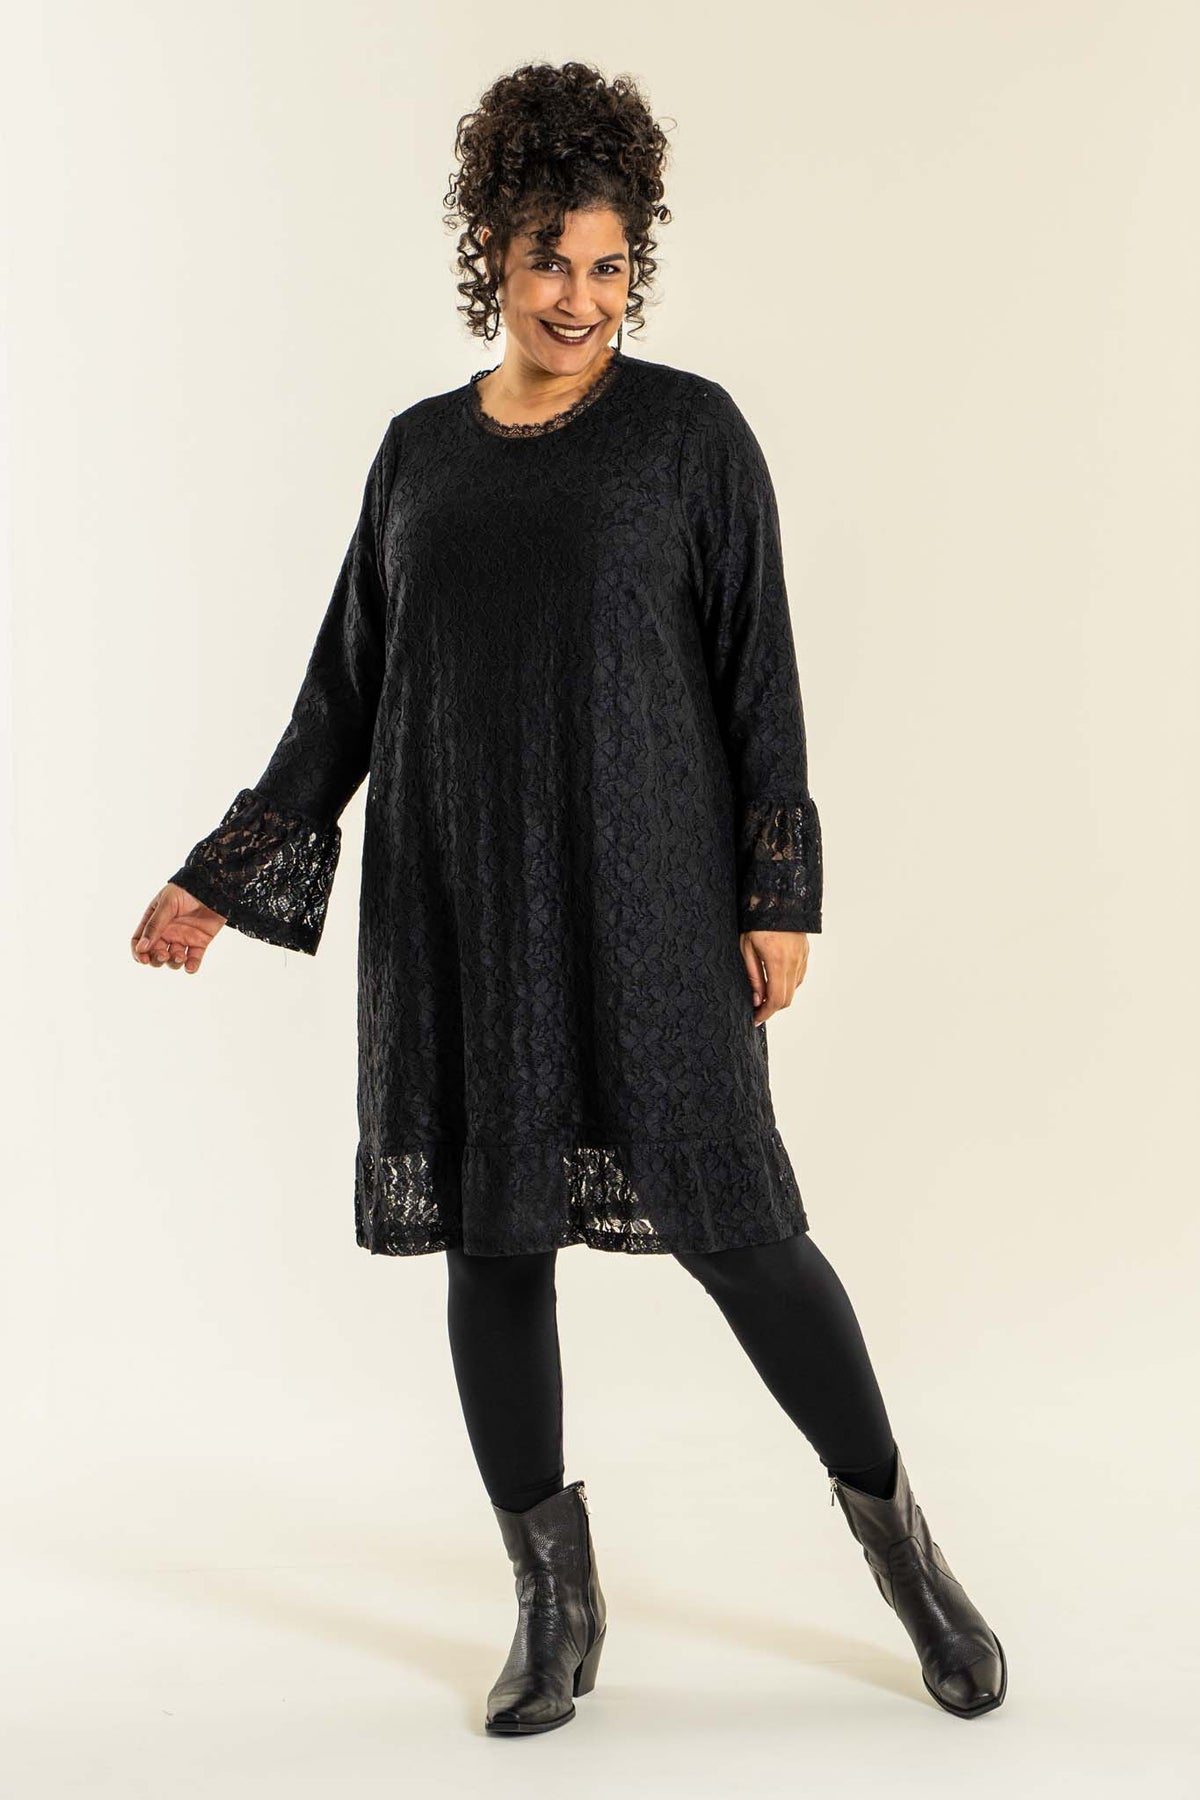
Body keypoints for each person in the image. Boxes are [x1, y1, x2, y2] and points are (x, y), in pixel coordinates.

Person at [131, 59, 1005, 1735]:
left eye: (609, 267)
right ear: (493, 250)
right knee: (496, 1241)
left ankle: (905, 1552)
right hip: (463, 905)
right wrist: (218, 880)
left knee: (742, 1230)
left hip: (651, 897)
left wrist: (777, 889)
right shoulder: (417, 457)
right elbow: (345, 694)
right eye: (550, 260)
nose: (581, 298)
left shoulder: (690, 436)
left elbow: (759, 675)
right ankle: (554, 1599)